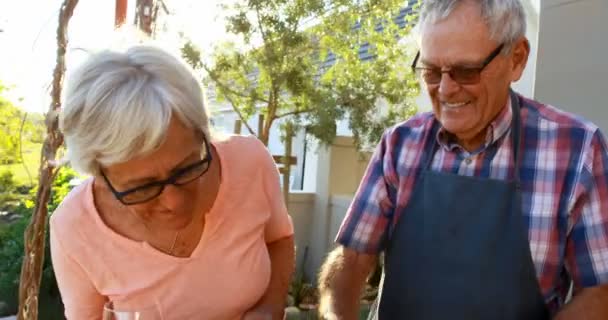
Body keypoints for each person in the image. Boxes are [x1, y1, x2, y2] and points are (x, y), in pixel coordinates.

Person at [317, 0, 608, 319]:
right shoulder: (399, 146)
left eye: (466, 71)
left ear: (517, 58)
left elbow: (599, 292)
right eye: (430, 71)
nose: (444, 89)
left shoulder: (577, 149)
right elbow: (352, 259)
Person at [50, 45, 295, 320]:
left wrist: (270, 307)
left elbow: (280, 238)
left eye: (187, 168)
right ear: (99, 173)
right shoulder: (73, 227)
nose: (174, 202)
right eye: (143, 187)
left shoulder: (249, 162)